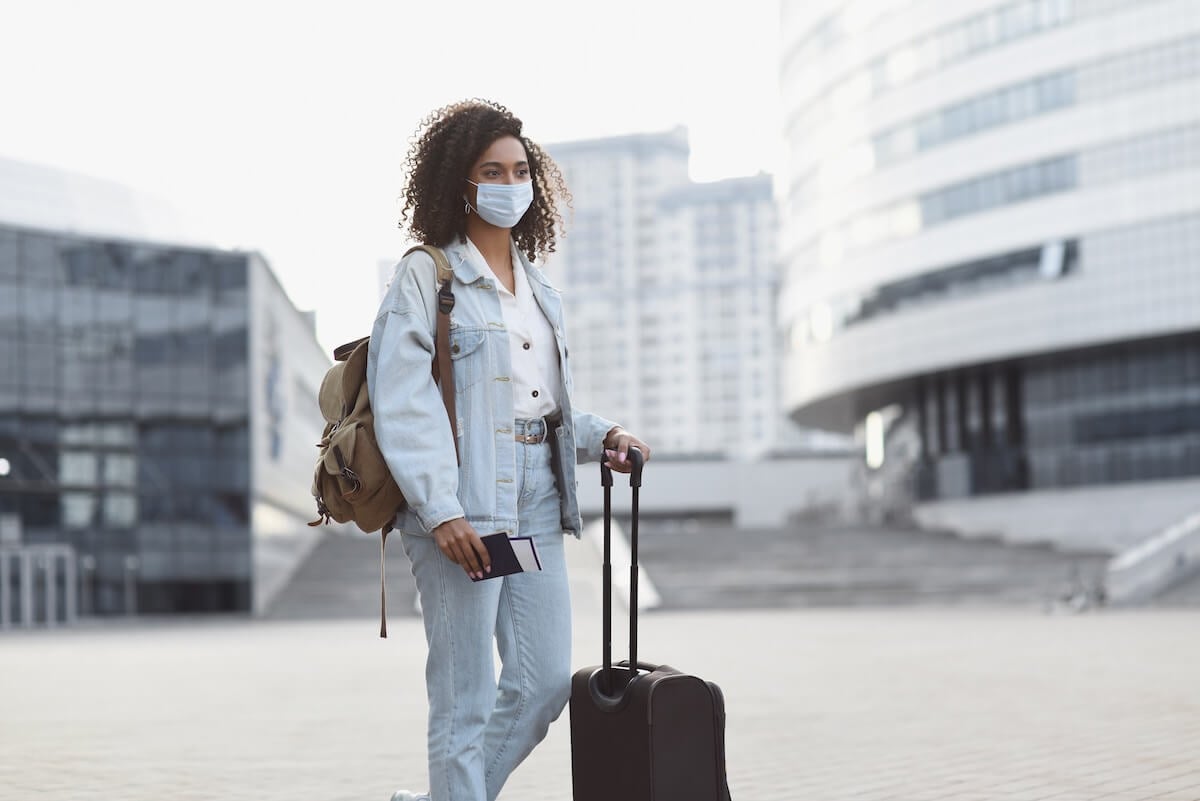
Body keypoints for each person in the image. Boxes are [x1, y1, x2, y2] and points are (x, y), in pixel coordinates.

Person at [366, 99, 651, 801]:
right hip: (465, 497)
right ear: (458, 184)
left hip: (538, 495)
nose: (509, 182)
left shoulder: (540, 289)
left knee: (543, 685)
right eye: (491, 170)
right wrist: (441, 509)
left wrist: (601, 434)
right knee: (465, 701)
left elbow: (539, 401)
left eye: (521, 169)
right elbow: (406, 401)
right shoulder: (426, 278)